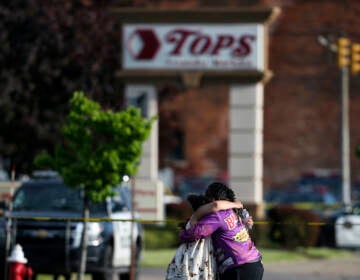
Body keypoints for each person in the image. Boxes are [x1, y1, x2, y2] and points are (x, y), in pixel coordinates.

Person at [180, 182, 264, 280]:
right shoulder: (234, 211)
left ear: (212, 198)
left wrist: (189, 225)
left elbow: (194, 233)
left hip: (239, 268)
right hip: (255, 263)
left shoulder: (218, 215)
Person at [166, 193, 243, 280]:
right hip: (193, 265)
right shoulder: (195, 222)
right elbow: (216, 205)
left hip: (194, 265)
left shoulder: (202, 223)